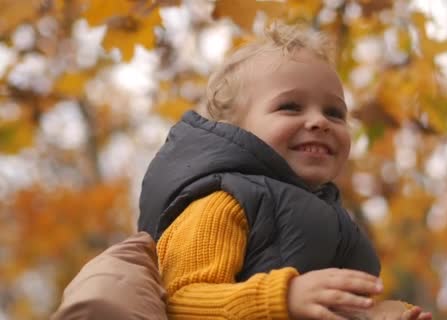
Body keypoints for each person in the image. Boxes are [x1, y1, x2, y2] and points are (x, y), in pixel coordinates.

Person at [138, 22, 432, 320]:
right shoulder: (224, 202)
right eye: (290, 106)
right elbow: (180, 302)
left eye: (334, 112)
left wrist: (381, 314)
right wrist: (283, 297)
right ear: (236, 129)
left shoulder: (339, 225)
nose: (320, 121)